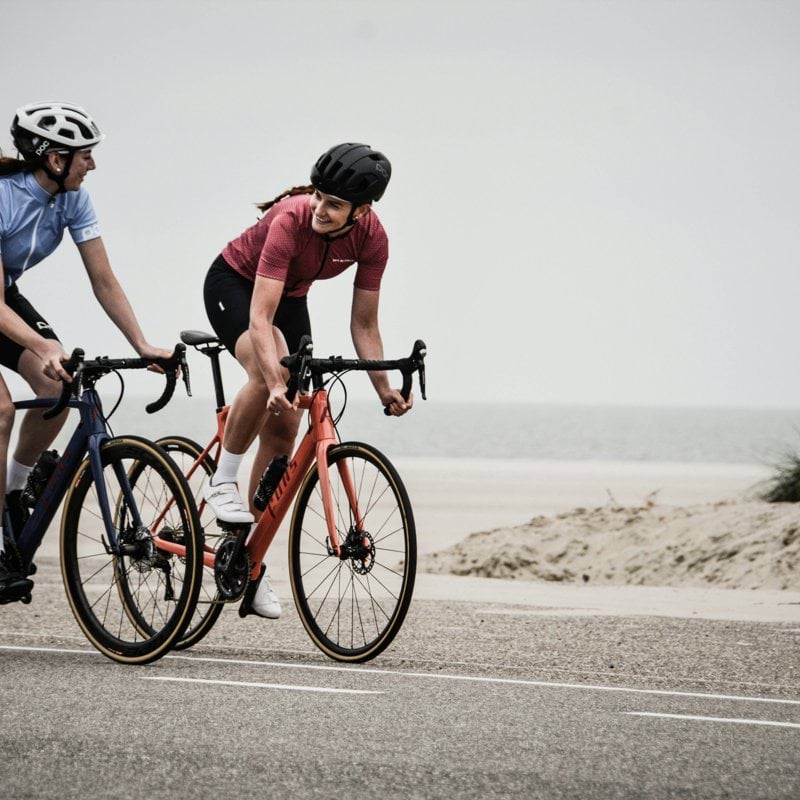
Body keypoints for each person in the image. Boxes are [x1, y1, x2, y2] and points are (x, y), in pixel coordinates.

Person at [202, 142, 412, 619]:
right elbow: (260, 319)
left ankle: (248, 562)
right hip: (235, 284)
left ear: (362, 211)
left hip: (290, 296)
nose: (319, 209)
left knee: (288, 423)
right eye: (318, 195)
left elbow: (364, 326)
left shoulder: (373, 239)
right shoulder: (290, 219)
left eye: (334, 204)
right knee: (266, 368)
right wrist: (274, 377)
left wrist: (383, 388)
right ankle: (223, 479)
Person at [0, 102, 173, 603]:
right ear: (55, 160)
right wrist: (40, 342)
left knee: (58, 383)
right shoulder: (3, 198)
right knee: (2, 410)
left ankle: (13, 492)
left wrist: (141, 345)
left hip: (6, 296)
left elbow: (103, 279)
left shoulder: (74, 200)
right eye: (85, 156)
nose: (92, 164)